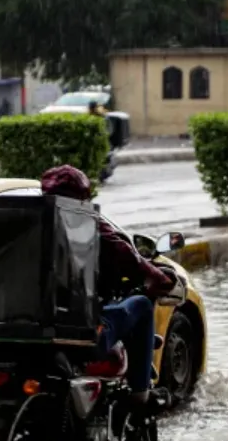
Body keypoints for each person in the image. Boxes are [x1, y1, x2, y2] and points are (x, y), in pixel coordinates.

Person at [40, 165, 176, 409]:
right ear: (83, 198)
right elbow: (129, 258)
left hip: (14, 334)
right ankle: (140, 394)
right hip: (76, 331)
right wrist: (159, 278)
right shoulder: (85, 222)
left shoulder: (23, 225)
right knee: (143, 306)